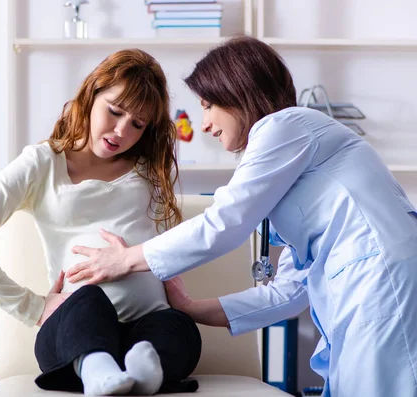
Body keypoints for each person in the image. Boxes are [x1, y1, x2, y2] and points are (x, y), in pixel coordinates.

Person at [66, 36, 417, 397]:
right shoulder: (290, 156)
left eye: (207, 105)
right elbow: (288, 293)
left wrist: (127, 258)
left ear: (235, 92)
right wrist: (190, 308)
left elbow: (224, 224)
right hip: (370, 281)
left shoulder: (285, 126)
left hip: (381, 280)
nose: (204, 125)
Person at [0, 49, 201, 396]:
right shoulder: (41, 163)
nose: (121, 130)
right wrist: (33, 306)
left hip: (148, 323)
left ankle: (145, 373)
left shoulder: (149, 169)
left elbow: (163, 240)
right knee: (90, 301)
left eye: (137, 124)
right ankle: (97, 368)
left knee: (178, 327)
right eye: (115, 111)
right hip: (74, 326)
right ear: (91, 94)